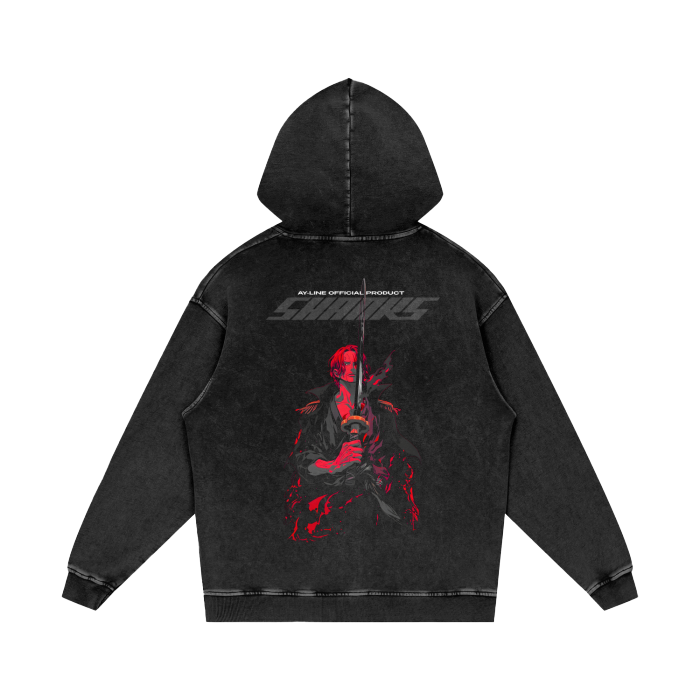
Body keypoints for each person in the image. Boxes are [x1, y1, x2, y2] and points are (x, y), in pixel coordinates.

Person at [285, 344, 421, 541]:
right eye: (346, 364)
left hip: (375, 495)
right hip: (329, 497)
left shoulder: (382, 413)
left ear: (365, 370)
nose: (352, 368)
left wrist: (379, 473)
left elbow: (394, 455)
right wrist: (334, 465)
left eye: (357, 364)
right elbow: (301, 460)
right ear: (335, 372)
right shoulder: (317, 415)